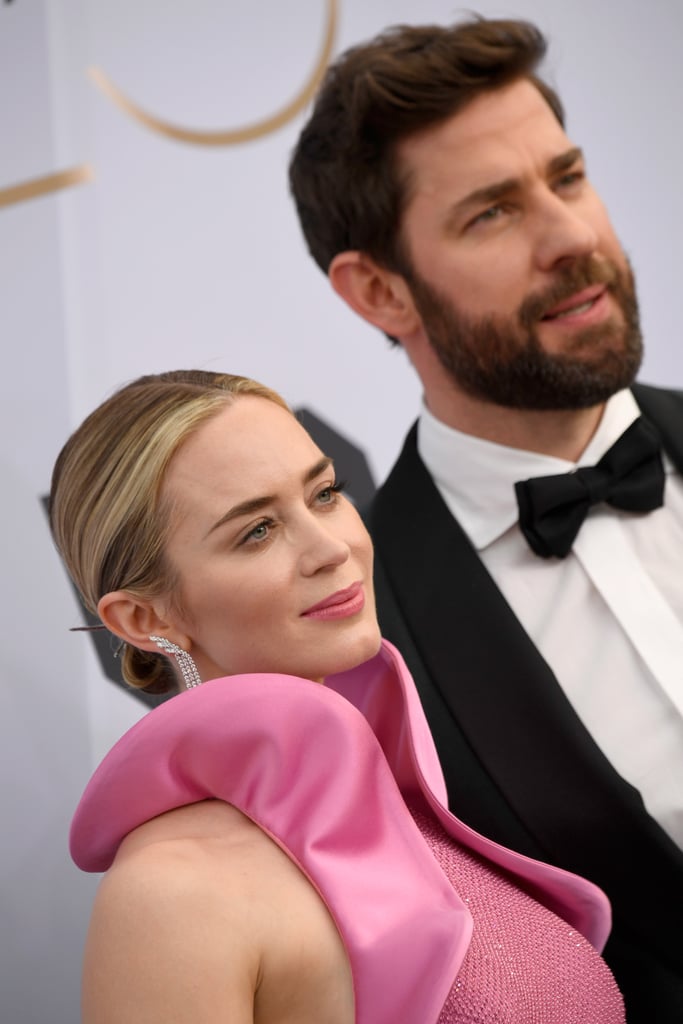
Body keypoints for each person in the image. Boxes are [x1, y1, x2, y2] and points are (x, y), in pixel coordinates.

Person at [288, 16, 683, 1021]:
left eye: (567, 176)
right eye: (492, 213)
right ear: (379, 291)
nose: (571, 237)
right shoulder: (359, 649)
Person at [50, 369, 625, 1024]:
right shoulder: (174, 894)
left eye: (324, 494)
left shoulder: (415, 814)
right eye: (256, 532)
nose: (332, 548)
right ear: (145, 621)